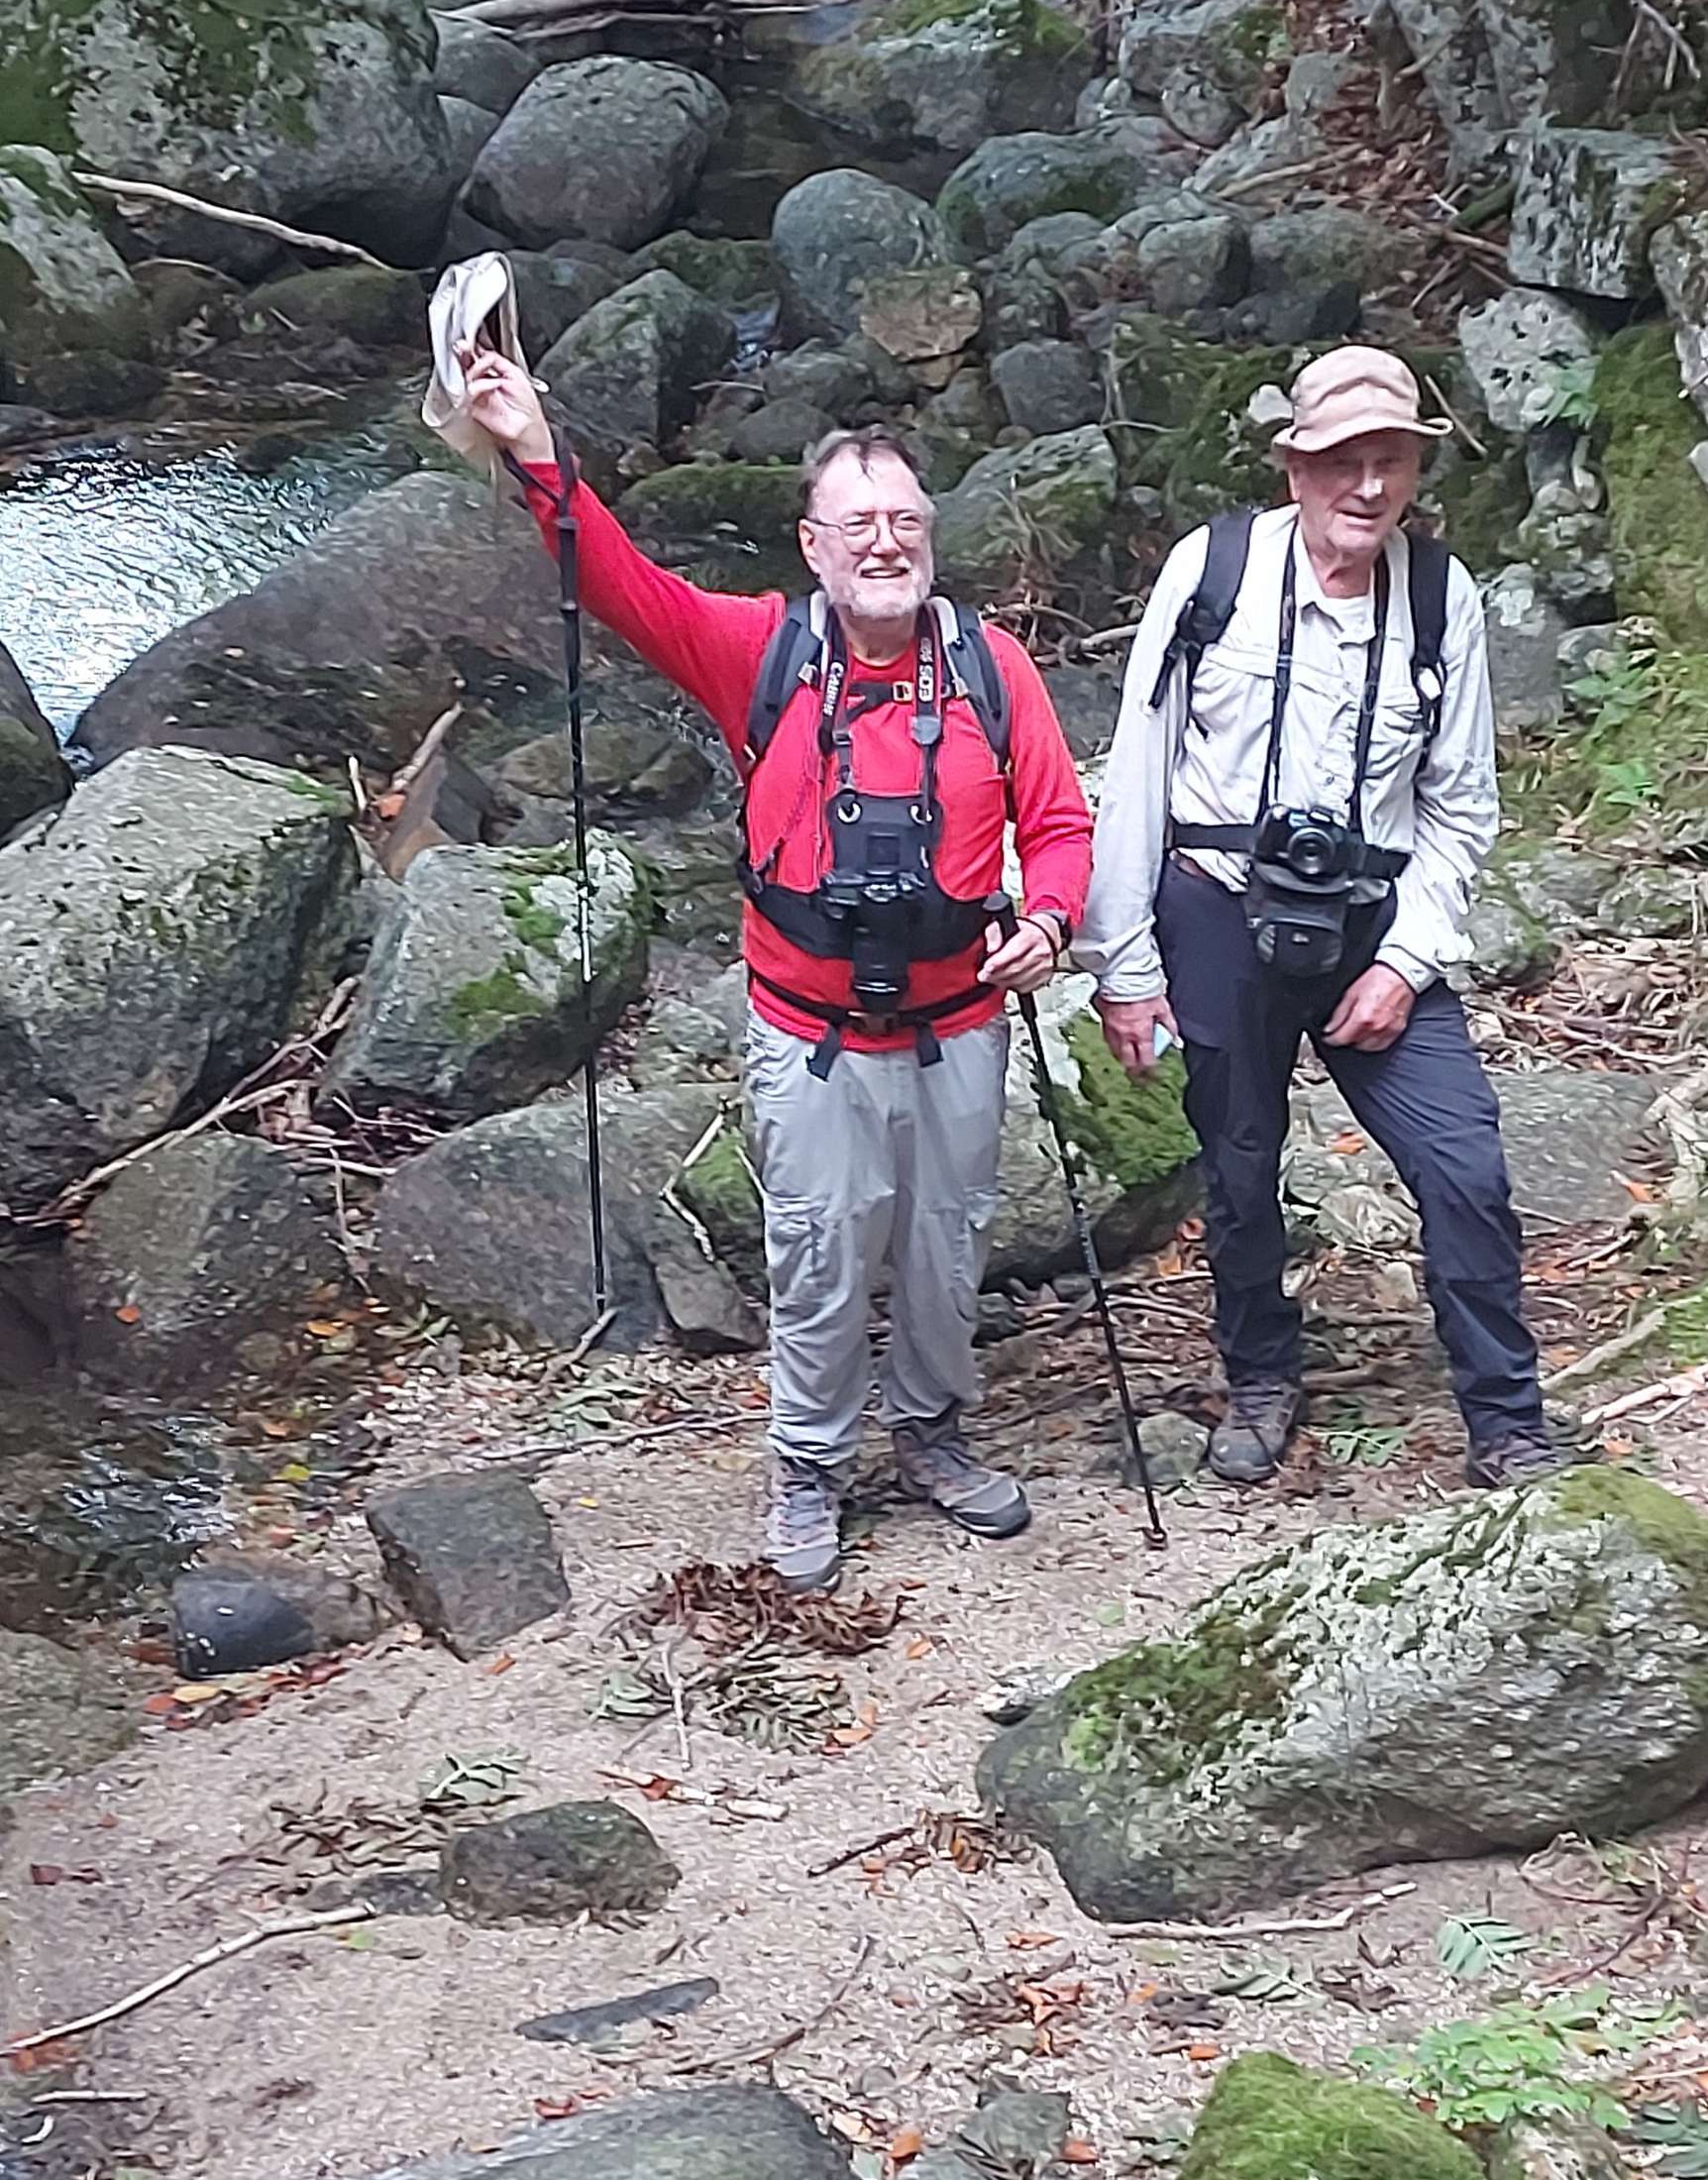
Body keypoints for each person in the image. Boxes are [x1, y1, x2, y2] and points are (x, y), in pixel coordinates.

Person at [454, 351, 1093, 1591]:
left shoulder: (991, 668)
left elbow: (1058, 826)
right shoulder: (759, 651)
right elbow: (620, 585)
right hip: (810, 1033)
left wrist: (1052, 922)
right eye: (859, 524)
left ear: (931, 536)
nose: (885, 542)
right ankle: (809, 1462)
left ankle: (932, 1433)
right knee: (818, 1251)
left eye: (904, 521)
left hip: (959, 1023)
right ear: (811, 545)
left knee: (945, 1246)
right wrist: (533, 446)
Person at [1079, 341, 1565, 1489]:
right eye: (1343, 460)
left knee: (1463, 1164)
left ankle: (1505, 1420)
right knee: (1237, 1167)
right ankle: (1259, 1376)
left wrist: (1405, 962)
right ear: (1294, 469)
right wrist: (1122, 963)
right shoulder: (1213, 572)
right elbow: (1137, 767)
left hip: (1371, 922)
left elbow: (1460, 804)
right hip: (1214, 908)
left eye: (1389, 460)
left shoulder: (1440, 595)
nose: (1367, 485)